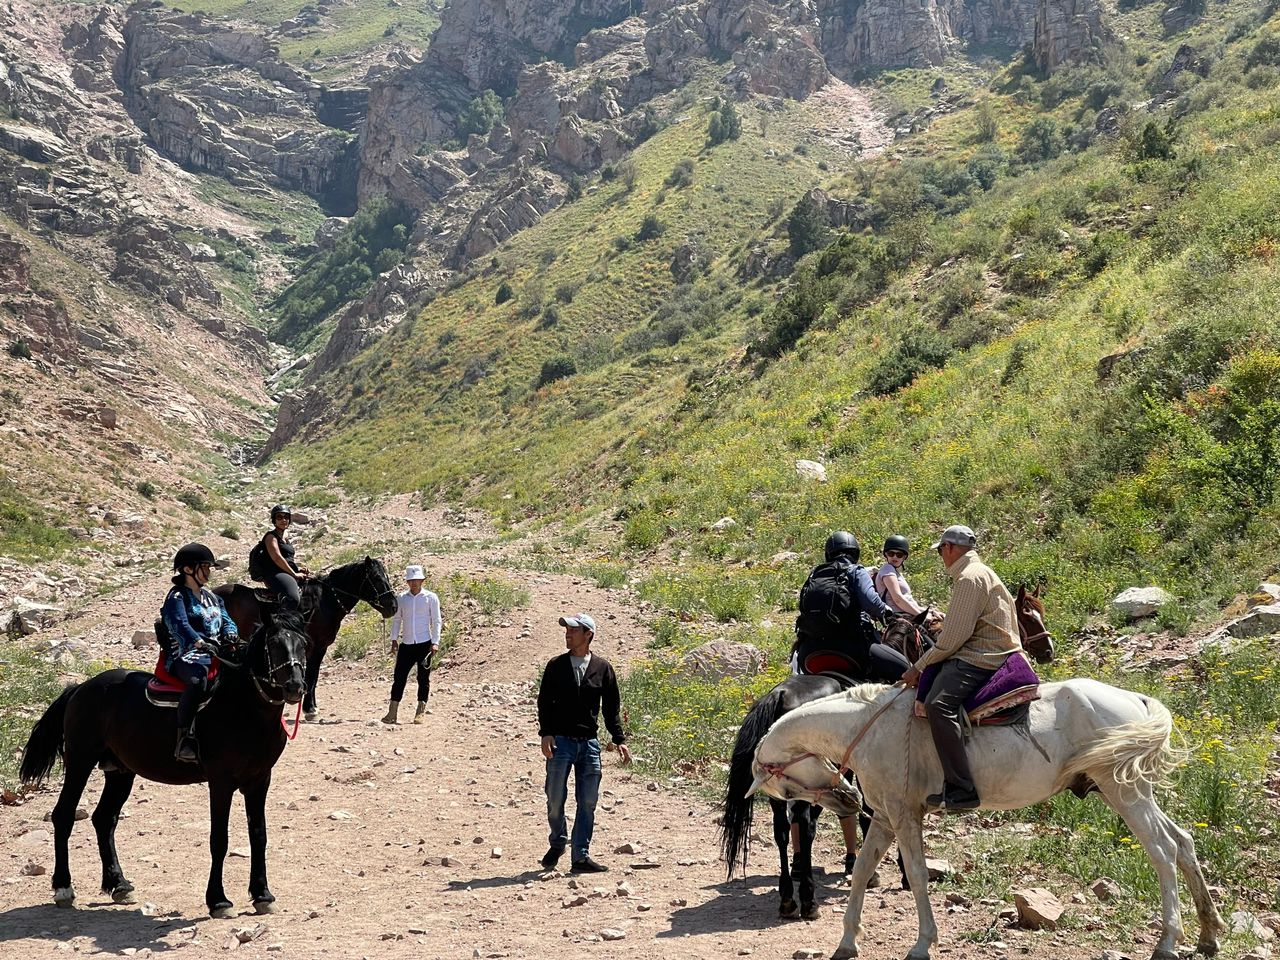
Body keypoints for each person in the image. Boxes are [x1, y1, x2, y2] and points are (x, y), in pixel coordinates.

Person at [901, 525, 1021, 812]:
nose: (941, 556)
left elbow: (953, 638)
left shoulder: (969, 578)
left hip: (982, 655)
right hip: (992, 649)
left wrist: (918, 666)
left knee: (937, 705)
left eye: (941, 550)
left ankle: (962, 788)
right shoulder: (983, 572)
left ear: (950, 548)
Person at [536, 613, 631, 874]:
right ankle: (558, 842)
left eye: (573, 630)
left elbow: (611, 709)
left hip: (589, 744)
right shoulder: (555, 666)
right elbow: (544, 702)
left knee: (587, 801)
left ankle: (581, 855)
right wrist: (546, 733)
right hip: (560, 743)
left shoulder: (603, 668)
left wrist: (619, 739)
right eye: (566, 630)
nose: (567, 634)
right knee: (555, 799)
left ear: (588, 634)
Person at [793, 531, 910, 684]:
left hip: (809, 651)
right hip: (850, 648)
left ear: (828, 553)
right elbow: (871, 603)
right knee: (908, 671)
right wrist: (886, 613)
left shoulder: (815, 574)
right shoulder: (856, 571)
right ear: (855, 553)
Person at [161, 542, 240, 763]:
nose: (208, 571)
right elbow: (179, 624)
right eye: (204, 566)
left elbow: (226, 620)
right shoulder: (176, 597)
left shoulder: (212, 597)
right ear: (188, 569)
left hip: (216, 652)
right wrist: (199, 642)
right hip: (186, 655)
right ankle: (184, 738)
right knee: (198, 681)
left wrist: (231, 634)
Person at [382, 564, 441, 725]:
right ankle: (392, 712)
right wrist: (394, 640)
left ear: (422, 580)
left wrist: (435, 642)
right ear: (407, 582)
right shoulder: (402, 598)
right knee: (399, 678)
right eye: (411, 581)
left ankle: (420, 711)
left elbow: (436, 621)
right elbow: (397, 619)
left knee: (423, 678)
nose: (414, 583)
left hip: (424, 644)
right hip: (406, 644)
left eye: (417, 580)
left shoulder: (431, 597)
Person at [248, 504, 309, 611]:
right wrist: (294, 574)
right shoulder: (271, 537)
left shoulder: (285, 538)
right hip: (274, 574)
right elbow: (277, 558)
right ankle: (283, 626)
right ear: (274, 520)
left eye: (286, 517)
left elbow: (287, 559)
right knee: (292, 598)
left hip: (286, 573)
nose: (283, 520)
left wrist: (298, 570)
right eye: (279, 517)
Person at [873, 535, 929, 617]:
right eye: (891, 553)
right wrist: (921, 616)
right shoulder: (887, 569)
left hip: (908, 613)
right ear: (886, 554)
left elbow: (908, 600)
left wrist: (928, 612)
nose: (895, 557)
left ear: (904, 557)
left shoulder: (896, 573)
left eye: (899, 555)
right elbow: (898, 599)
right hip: (899, 616)